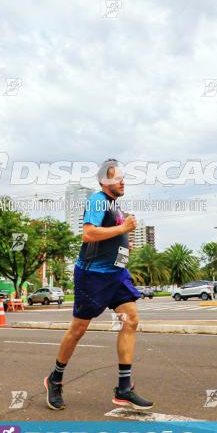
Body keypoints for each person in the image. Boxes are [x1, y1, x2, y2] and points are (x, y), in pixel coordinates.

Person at [44, 158, 153, 411]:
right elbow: (89, 233)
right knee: (78, 330)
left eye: (123, 177)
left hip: (116, 274)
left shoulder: (115, 206)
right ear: (105, 182)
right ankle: (55, 379)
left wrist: (125, 244)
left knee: (131, 319)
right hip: (92, 276)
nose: (123, 181)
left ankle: (124, 389)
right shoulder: (97, 200)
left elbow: (109, 236)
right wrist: (125, 227)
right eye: (117, 178)